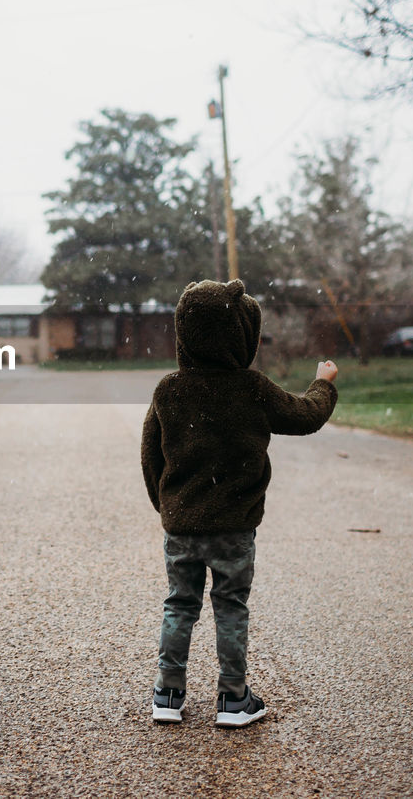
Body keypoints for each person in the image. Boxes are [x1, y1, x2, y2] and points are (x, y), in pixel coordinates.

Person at [141, 279, 338, 728]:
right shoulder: (253, 388)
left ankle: (167, 693)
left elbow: (151, 453)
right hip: (234, 527)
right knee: (230, 605)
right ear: (242, 334)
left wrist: (168, 506)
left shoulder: (169, 390)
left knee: (179, 604)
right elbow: (305, 416)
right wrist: (322, 384)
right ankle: (232, 699)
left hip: (182, 527)